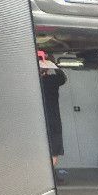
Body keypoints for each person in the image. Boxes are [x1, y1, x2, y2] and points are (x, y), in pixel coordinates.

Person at [39, 52, 68, 182]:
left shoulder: (32, 82)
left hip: (37, 120)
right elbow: (63, 78)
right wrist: (53, 64)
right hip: (53, 120)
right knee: (54, 150)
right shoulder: (53, 80)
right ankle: (48, 176)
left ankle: (45, 176)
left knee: (42, 150)